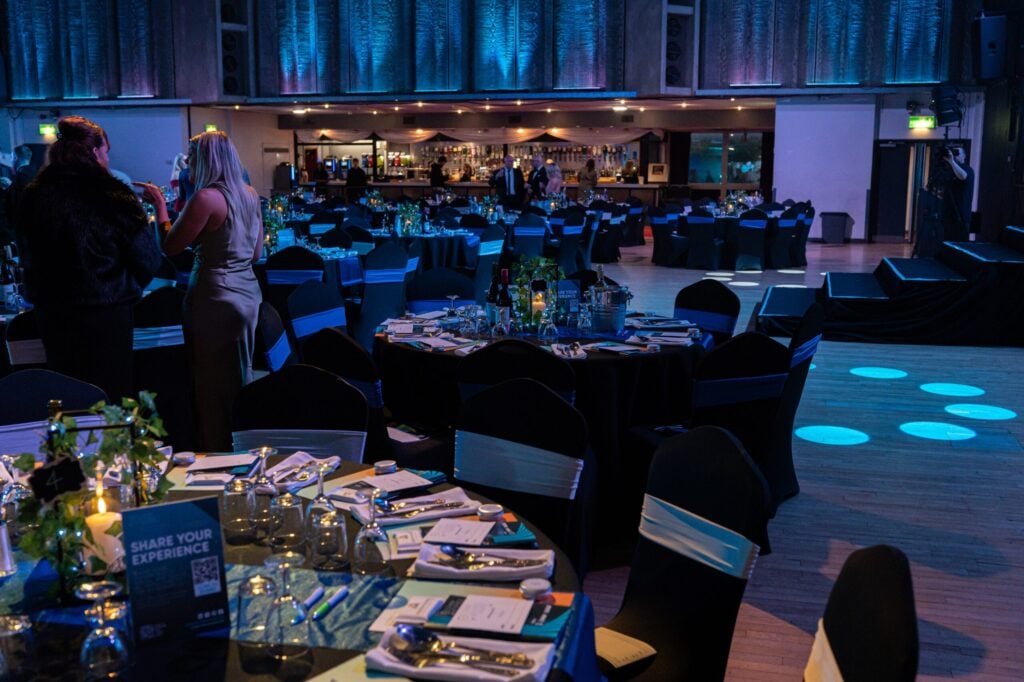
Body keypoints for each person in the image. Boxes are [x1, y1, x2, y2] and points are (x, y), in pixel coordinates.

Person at [16, 116, 162, 400]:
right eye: (106, 152)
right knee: (109, 397)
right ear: (95, 152)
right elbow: (148, 258)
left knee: (65, 395)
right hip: (107, 313)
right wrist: (125, 286)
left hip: (52, 313)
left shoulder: (34, 195)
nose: (107, 159)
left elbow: (25, 253)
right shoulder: (113, 194)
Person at [136, 131, 263, 451]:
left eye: (191, 156)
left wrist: (160, 206)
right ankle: (243, 443)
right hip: (247, 293)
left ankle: (217, 450)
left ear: (205, 159)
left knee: (210, 382)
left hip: (214, 295)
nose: (188, 163)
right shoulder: (250, 194)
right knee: (239, 374)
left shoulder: (206, 198)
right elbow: (256, 254)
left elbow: (171, 246)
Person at [941, 145, 974, 242]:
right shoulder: (949, 170)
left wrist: (951, 161)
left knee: (960, 244)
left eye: (957, 153)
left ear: (964, 156)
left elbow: (963, 176)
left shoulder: (968, 169)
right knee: (947, 242)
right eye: (954, 153)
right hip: (948, 215)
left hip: (961, 216)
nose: (955, 156)